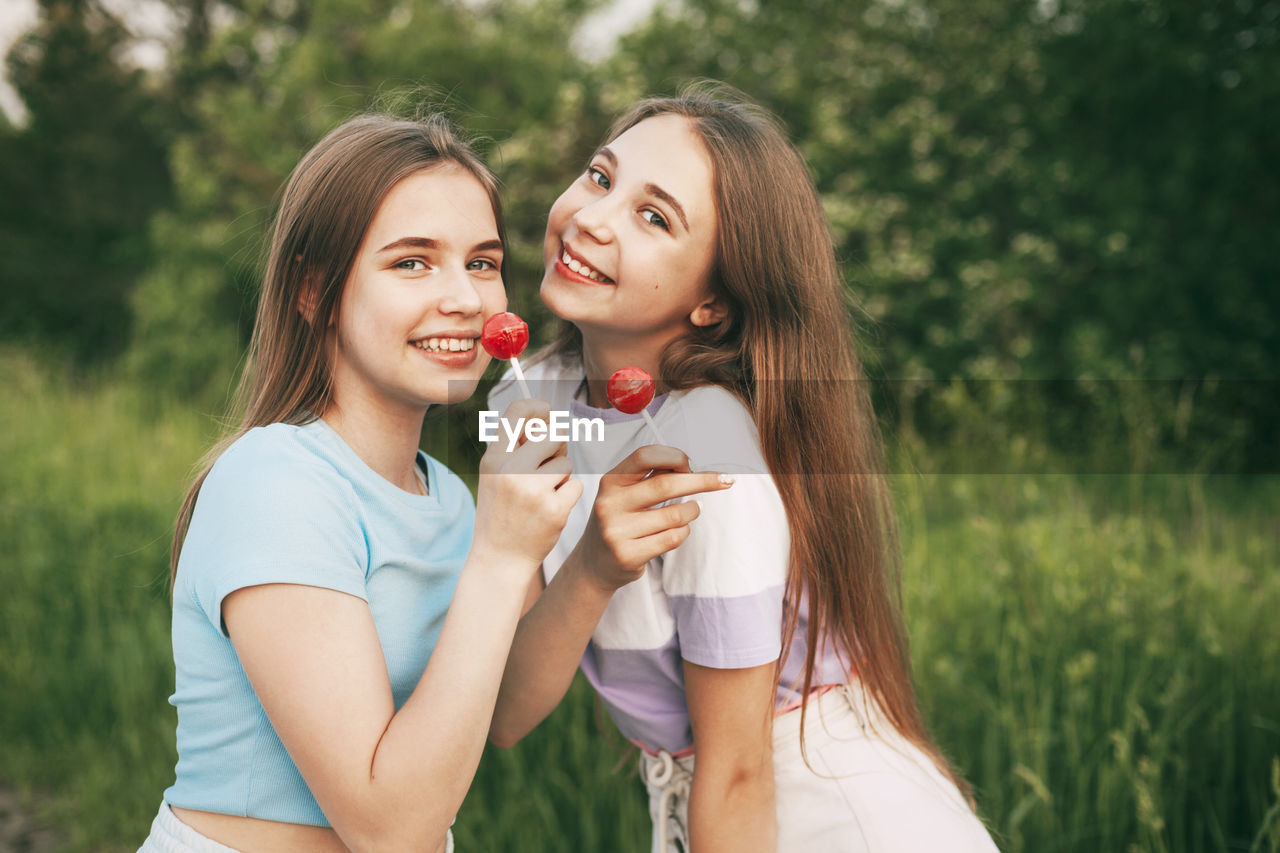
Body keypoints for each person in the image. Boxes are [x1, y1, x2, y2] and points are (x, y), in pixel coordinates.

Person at [488, 85, 1001, 852]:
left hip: (824, 814)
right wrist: (592, 569)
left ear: (712, 305)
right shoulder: (531, 397)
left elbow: (738, 772)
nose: (592, 217)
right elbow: (504, 713)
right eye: (601, 177)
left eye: (653, 216)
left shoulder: (701, 449)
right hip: (714, 803)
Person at [140, 113, 599, 853]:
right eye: (412, 262)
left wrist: (597, 565)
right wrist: (503, 556)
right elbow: (392, 829)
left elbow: (502, 708)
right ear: (314, 292)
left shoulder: (447, 495)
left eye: (482, 263)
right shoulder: (274, 482)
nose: (464, 298)